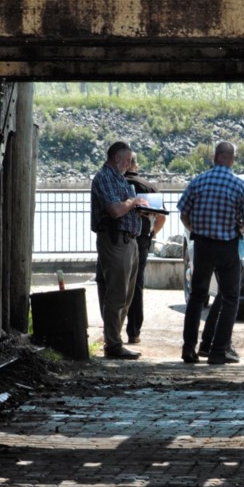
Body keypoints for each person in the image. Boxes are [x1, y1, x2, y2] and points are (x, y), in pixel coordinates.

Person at [176, 141, 244, 365]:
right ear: (231, 159)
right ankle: (218, 349)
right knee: (230, 297)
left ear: (215, 157)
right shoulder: (239, 185)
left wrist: (195, 228)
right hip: (227, 246)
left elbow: (183, 212)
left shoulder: (198, 181)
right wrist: (239, 222)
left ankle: (188, 348)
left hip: (202, 245)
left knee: (197, 296)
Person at [90, 141, 148, 359]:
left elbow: (124, 207)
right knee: (116, 294)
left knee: (126, 296)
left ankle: (115, 340)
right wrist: (133, 203)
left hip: (129, 241)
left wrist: (137, 209)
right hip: (115, 242)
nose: (130, 163)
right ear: (117, 159)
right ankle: (113, 344)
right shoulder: (104, 177)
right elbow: (115, 210)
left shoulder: (119, 178)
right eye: (128, 160)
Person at [124, 155, 166, 344]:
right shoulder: (149, 187)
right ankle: (134, 331)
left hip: (116, 239)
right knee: (136, 284)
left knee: (112, 283)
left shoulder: (115, 183)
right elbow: (161, 217)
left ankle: (112, 330)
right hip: (141, 239)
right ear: (135, 165)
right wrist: (152, 234)